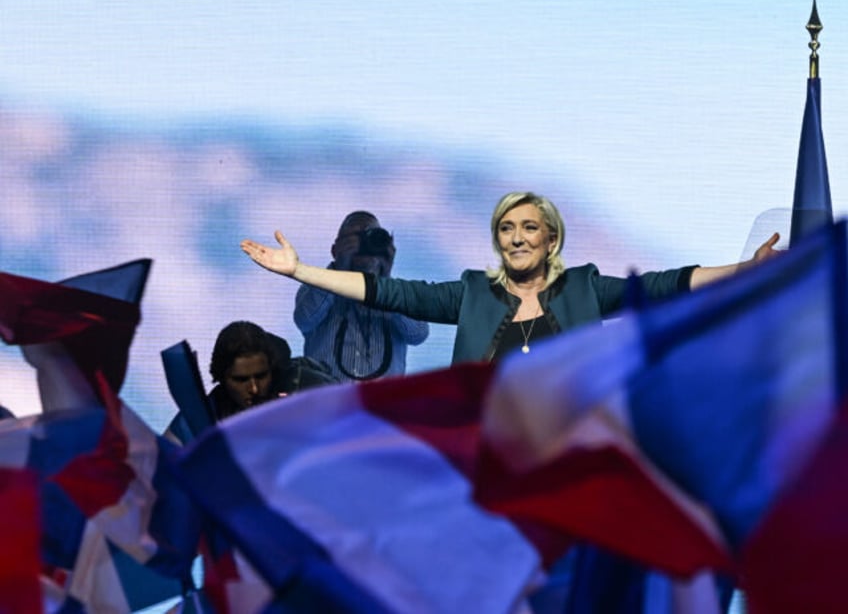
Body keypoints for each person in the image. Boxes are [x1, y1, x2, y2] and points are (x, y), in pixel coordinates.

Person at [241, 192, 780, 365]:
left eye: (529, 228)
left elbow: (666, 285)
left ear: (552, 239)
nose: (517, 238)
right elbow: (387, 291)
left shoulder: (586, 289)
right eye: (506, 228)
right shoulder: (473, 293)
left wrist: (744, 271)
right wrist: (301, 271)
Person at [293, 211, 429, 381]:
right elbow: (304, 319)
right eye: (355, 238)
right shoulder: (315, 286)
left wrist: (385, 279)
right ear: (335, 250)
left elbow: (418, 334)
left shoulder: (399, 293)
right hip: (330, 403)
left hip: (382, 404)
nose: (365, 245)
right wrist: (339, 270)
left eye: (371, 237)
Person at [165, 321, 336, 444]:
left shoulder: (309, 388)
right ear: (222, 378)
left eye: (261, 376)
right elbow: (163, 459)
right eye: (241, 380)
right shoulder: (210, 410)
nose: (254, 388)